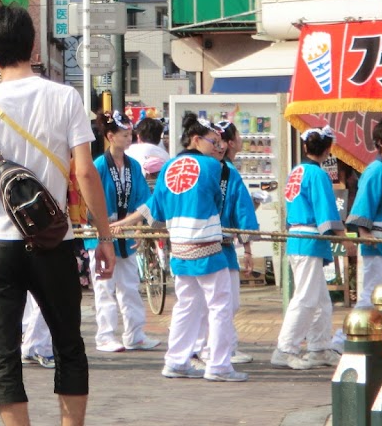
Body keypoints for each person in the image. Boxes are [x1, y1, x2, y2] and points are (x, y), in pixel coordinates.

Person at [0, 5, 115, 426]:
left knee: (4, 353)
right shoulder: (66, 97)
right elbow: (85, 172)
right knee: (69, 345)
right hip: (55, 240)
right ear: (32, 45)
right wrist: (103, 237)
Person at [147, 112, 245, 382]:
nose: (219, 147)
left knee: (186, 304)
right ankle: (219, 365)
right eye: (214, 142)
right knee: (220, 304)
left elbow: (156, 209)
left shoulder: (168, 166)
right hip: (205, 239)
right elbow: (218, 200)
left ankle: (176, 360)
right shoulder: (213, 167)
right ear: (196, 139)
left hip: (178, 242)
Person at [273, 126, 348, 370]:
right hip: (309, 237)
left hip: (297, 235)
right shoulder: (318, 174)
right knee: (305, 298)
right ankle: (285, 348)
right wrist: (341, 235)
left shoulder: (296, 171)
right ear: (328, 150)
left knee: (321, 300)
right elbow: (325, 208)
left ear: (305, 147)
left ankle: (319, 348)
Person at [86, 112, 159, 353]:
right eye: (124, 135)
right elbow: (90, 202)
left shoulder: (133, 166)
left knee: (130, 285)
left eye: (130, 135)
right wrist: (104, 228)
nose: (129, 139)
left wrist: (137, 228)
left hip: (126, 232)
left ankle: (135, 334)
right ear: (110, 137)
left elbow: (143, 200)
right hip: (100, 233)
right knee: (105, 287)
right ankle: (105, 336)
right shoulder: (98, 165)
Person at [207, 121, 260, 365]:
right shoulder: (205, 169)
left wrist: (247, 247)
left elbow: (242, 209)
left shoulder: (229, 172)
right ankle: (215, 349)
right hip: (203, 243)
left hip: (223, 245)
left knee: (226, 301)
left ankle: (222, 346)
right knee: (215, 302)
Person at [345, 117, 382, 309]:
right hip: (378, 245)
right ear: (381, 142)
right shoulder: (376, 170)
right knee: (373, 297)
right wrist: (364, 232)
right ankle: (348, 337)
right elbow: (363, 203)